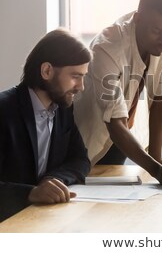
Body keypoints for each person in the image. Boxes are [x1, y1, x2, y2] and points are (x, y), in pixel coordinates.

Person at [74, 0, 162, 185]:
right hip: (87, 142)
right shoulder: (107, 47)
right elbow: (114, 123)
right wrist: (155, 169)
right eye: (157, 32)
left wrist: (157, 159)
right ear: (138, 18)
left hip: (124, 141)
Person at [0, 29, 91, 222]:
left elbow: (80, 159)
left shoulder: (63, 108)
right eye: (75, 76)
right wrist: (31, 193)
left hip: (41, 218)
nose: (81, 86)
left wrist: (54, 179)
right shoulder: (4, 110)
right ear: (47, 71)